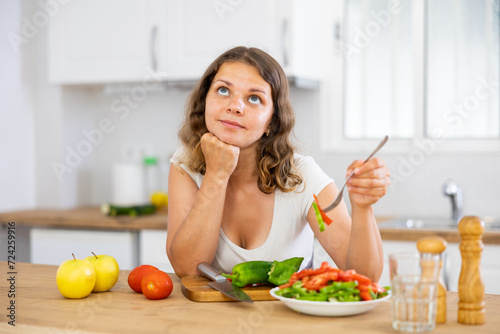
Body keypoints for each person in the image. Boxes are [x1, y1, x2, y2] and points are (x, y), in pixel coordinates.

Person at [166, 46, 391, 280]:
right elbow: (188, 269)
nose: (235, 106)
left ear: (272, 122)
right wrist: (216, 175)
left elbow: (365, 277)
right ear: (205, 102)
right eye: (223, 90)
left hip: (291, 316)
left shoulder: (302, 178)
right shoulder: (186, 166)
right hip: (210, 316)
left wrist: (363, 208)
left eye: (254, 98)